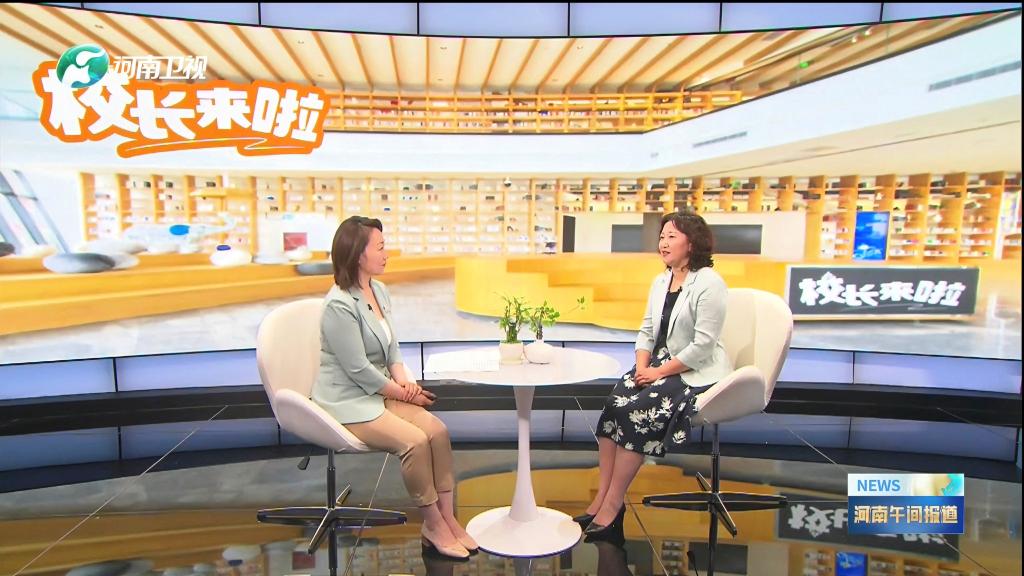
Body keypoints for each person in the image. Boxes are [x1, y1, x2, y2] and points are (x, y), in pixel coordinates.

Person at [311, 215, 476, 559]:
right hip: (347, 399)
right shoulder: (339, 305)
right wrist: (403, 394)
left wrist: (406, 381)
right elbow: (358, 370)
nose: (387, 254)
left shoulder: (379, 290)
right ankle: (432, 524)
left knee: (438, 432)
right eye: (381, 247)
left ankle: (448, 518)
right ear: (358, 254)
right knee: (414, 442)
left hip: (379, 390)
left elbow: (392, 348)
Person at [579, 210, 733, 538]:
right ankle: (601, 498)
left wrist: (657, 372)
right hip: (659, 364)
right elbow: (647, 330)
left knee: (637, 411)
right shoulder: (661, 280)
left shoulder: (710, 283)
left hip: (696, 368)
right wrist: (642, 366)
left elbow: (703, 346)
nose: (663, 243)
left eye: (671, 236)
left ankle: (613, 505)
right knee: (614, 405)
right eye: (661, 236)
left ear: (692, 243)